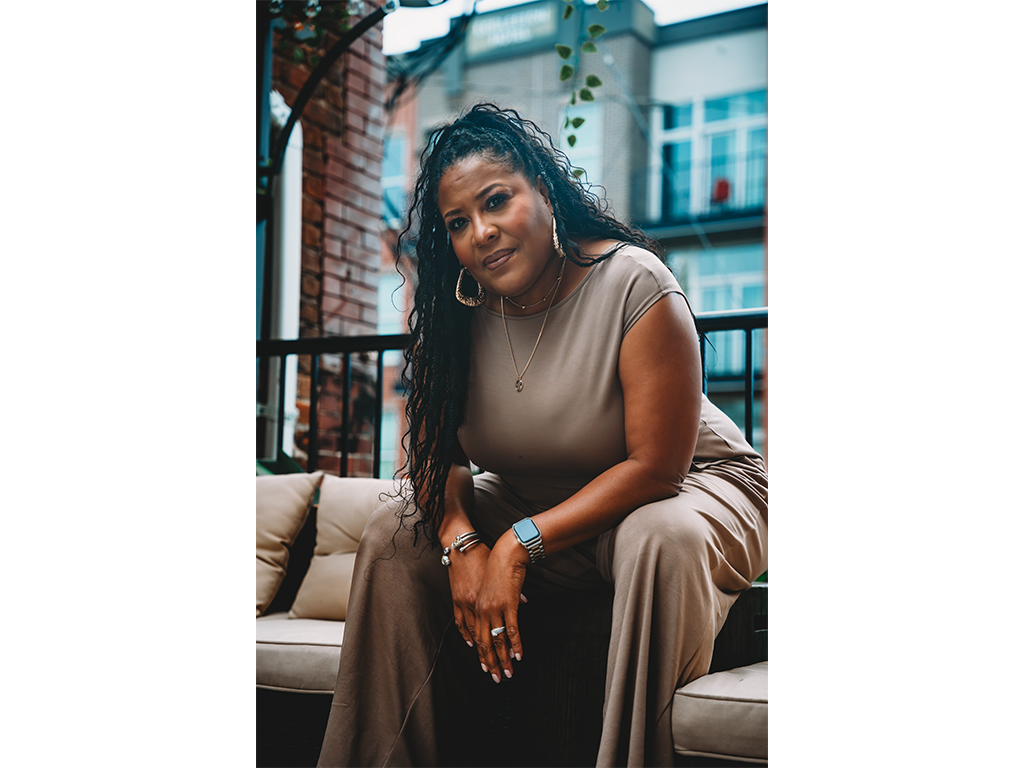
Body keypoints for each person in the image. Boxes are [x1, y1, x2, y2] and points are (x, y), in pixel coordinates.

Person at [317, 103, 767, 768]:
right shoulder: (454, 312)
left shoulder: (632, 281)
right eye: (458, 223)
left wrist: (519, 545)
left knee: (656, 538)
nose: (482, 233)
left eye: (497, 201)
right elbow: (438, 456)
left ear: (545, 188)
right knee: (395, 529)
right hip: (545, 498)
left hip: (690, 486)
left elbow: (656, 469)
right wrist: (463, 540)